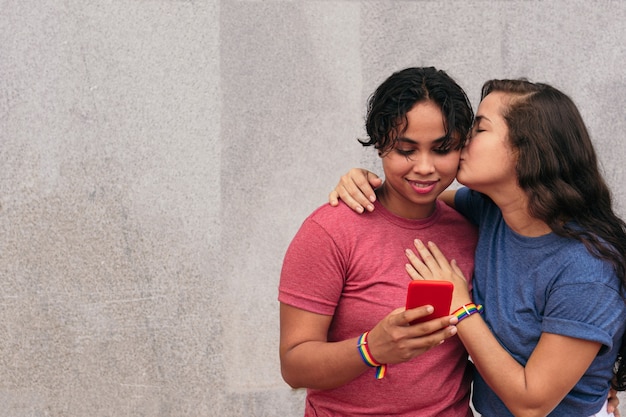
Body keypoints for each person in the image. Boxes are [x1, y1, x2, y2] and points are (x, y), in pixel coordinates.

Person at [329, 79, 626, 416]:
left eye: (479, 128)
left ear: (528, 149)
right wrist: (363, 182)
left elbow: (532, 404)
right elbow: (414, 198)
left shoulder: (586, 269)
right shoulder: (492, 210)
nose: (462, 139)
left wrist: (461, 307)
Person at [278, 67, 478, 416]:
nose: (425, 167)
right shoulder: (331, 231)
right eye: (406, 149)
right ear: (381, 142)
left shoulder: (472, 227)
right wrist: (371, 348)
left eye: (442, 148)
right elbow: (294, 365)